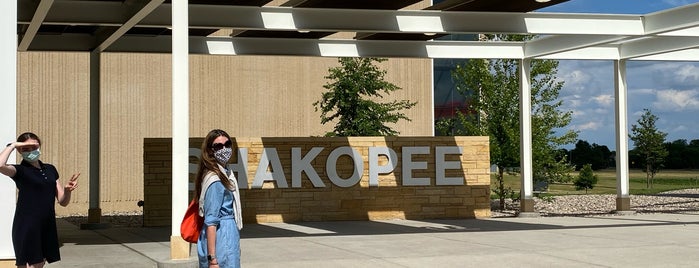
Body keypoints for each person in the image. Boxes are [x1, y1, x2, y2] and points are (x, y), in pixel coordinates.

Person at [0, 132, 79, 268]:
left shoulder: (50, 169)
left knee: (39, 264)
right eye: (25, 148)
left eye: (33, 147)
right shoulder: (20, 170)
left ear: (39, 147)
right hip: (27, 225)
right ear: (19, 150)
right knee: (29, 265)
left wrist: (67, 190)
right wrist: (12, 145)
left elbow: (63, 201)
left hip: (46, 224)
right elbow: (0, 166)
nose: (30, 151)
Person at [194, 129, 243, 268]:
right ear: (210, 151)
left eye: (227, 144)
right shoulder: (216, 180)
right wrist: (213, 259)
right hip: (222, 238)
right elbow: (211, 221)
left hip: (227, 235)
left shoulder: (225, 173)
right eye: (218, 146)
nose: (224, 149)